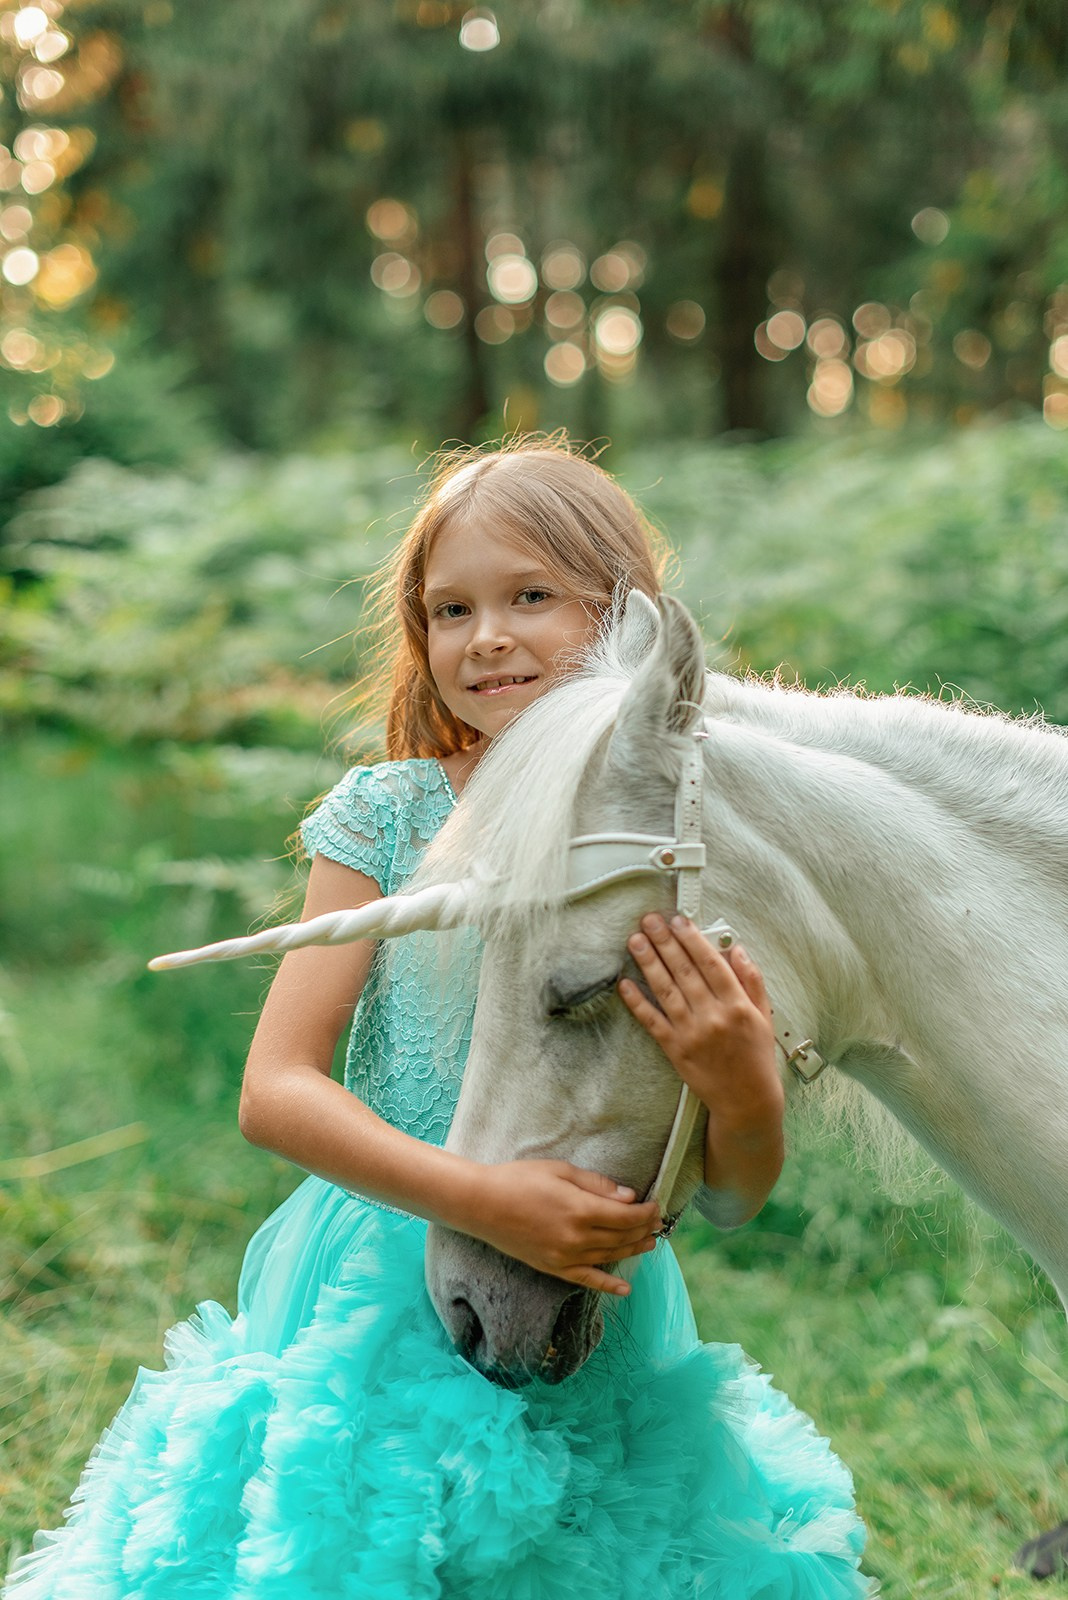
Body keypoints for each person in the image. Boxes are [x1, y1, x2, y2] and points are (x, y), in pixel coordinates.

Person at [5, 439, 872, 1599]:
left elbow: (733, 1192)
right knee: (372, 1546)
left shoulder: (667, 845)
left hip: (590, 1289)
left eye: (531, 596)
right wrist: (478, 1197)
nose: (487, 636)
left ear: (624, 613)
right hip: (385, 1269)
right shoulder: (390, 813)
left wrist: (742, 1083)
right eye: (451, 609)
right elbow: (275, 1088)